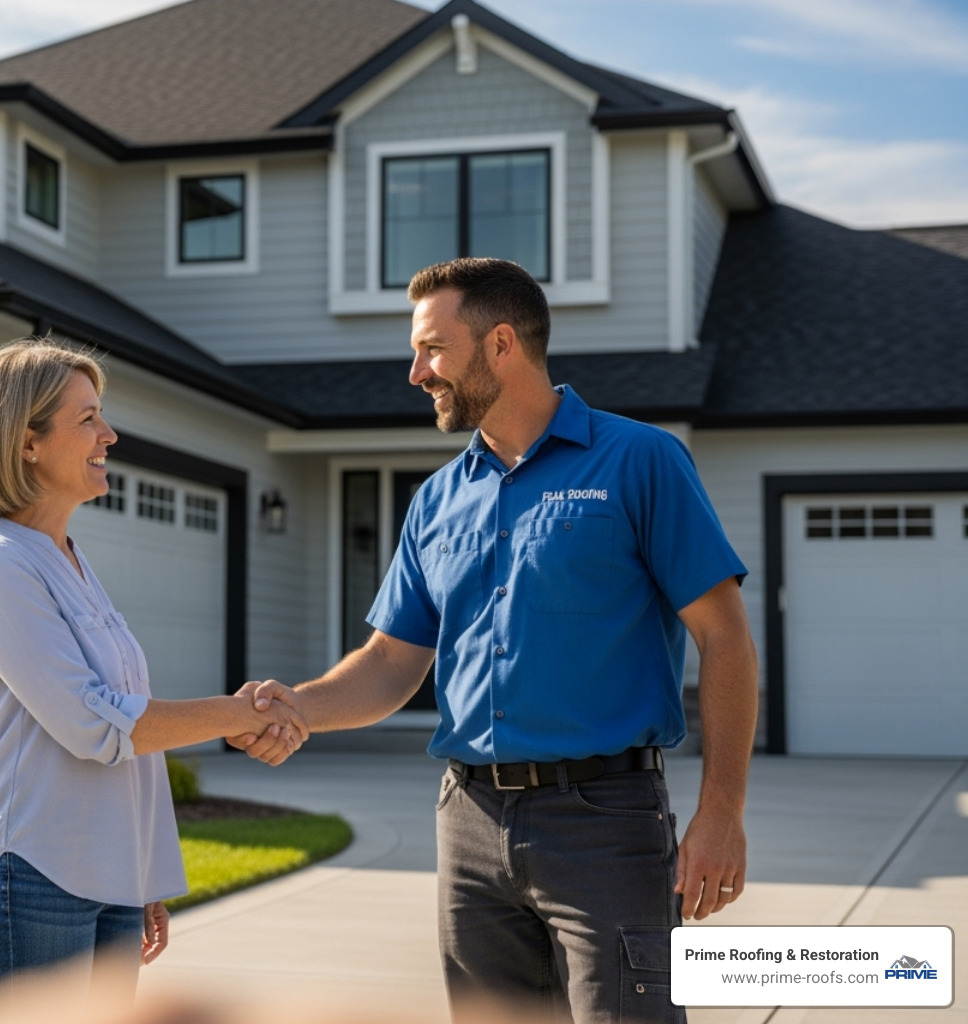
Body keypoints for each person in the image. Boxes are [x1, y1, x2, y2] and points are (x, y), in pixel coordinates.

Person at [229, 259, 759, 1024]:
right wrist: (296, 707)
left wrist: (722, 812)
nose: (416, 373)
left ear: (501, 343)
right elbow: (390, 664)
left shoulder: (639, 461)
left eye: (433, 349)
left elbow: (727, 639)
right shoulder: (438, 500)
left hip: (605, 822)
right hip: (470, 822)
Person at [0, 339, 306, 1012]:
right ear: (27, 443)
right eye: (87, 419)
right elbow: (99, 725)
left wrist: (143, 873)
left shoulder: (69, 561)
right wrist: (242, 713)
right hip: (32, 873)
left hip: (104, 875)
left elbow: (129, 734)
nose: (108, 434)